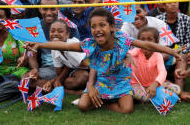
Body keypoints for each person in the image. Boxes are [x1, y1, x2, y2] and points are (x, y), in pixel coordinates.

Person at [24, 8, 182, 114]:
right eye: (93, 27)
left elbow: (146, 44)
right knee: (83, 106)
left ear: (112, 27)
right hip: (102, 81)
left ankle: (104, 103)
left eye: (102, 25)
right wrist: (39, 44)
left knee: (127, 109)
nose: (97, 29)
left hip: (121, 81)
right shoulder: (90, 44)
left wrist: (171, 51)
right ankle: (98, 98)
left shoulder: (121, 39)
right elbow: (68, 45)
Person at [129, 27, 180, 102]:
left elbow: (163, 72)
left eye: (150, 39)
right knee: (144, 97)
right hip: (137, 84)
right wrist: (127, 55)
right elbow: (128, 53)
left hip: (155, 84)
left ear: (156, 42)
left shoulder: (157, 55)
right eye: (142, 40)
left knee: (177, 89)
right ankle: (162, 96)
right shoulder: (136, 52)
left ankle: (160, 95)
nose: (146, 43)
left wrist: (154, 84)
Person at [156, 0, 190, 101]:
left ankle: (179, 91)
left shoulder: (187, 19)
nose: (174, 4)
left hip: (181, 52)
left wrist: (182, 51)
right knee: (163, 56)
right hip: (162, 52)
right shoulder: (157, 20)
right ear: (164, 5)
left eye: (176, 1)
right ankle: (171, 88)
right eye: (170, 2)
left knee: (181, 56)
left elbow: (189, 41)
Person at [43, 20, 89, 94]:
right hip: (74, 71)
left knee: (82, 78)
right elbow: (60, 73)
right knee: (67, 82)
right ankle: (69, 90)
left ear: (67, 34)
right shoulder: (54, 49)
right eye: (52, 31)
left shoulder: (72, 44)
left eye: (60, 31)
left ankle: (74, 91)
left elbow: (90, 65)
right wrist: (55, 81)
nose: (55, 34)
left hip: (90, 69)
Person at [0, 0, 30, 102]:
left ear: (8, 18)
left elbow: (24, 54)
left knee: (28, 79)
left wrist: (23, 58)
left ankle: (13, 88)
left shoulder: (17, 32)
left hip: (16, 71)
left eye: (1, 17)